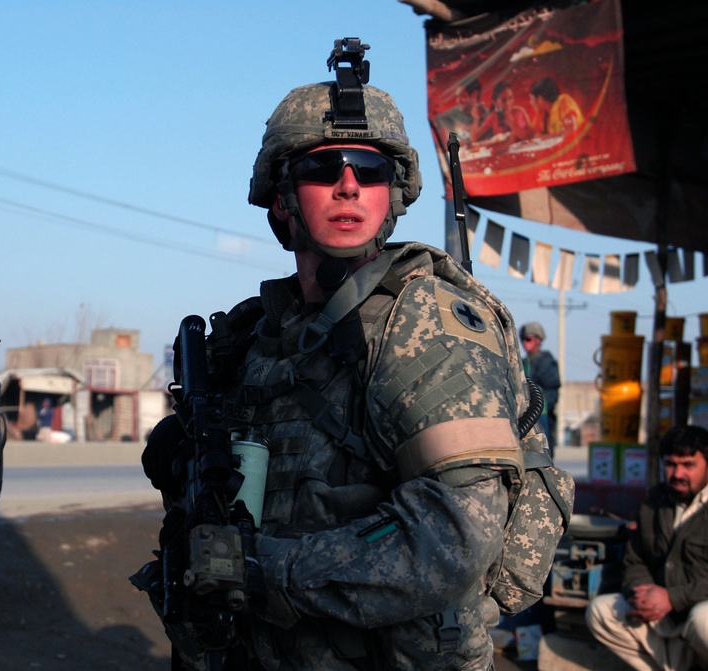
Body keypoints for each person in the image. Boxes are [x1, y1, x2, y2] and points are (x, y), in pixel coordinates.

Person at [139, 39, 569, 671]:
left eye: (369, 171)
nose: (348, 185)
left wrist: (262, 569)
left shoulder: (426, 325)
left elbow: (452, 536)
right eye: (323, 169)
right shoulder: (260, 334)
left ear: (391, 197)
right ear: (282, 198)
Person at [586, 425, 708, 671]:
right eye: (671, 464)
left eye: (688, 465)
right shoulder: (655, 502)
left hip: (696, 611)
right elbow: (635, 559)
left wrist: (673, 598)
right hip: (665, 617)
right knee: (601, 611)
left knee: (703, 618)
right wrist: (642, 597)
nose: (678, 473)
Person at [519, 321, 560, 450]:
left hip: (540, 415)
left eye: (528, 339)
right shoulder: (523, 362)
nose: (525, 343)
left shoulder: (546, 362)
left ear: (538, 340)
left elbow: (552, 392)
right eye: (523, 339)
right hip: (523, 414)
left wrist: (538, 406)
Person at [471, 80, 533, 148]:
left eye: (510, 98)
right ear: (495, 103)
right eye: (503, 100)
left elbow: (527, 137)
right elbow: (474, 138)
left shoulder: (518, 112)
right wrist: (476, 118)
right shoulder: (494, 116)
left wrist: (512, 123)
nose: (508, 103)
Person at [435, 77, 488, 143]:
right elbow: (438, 119)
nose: (458, 101)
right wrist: (454, 127)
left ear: (474, 94)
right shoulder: (455, 112)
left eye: (462, 95)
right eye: (457, 96)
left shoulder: (487, 114)